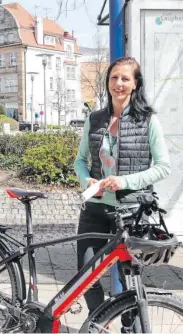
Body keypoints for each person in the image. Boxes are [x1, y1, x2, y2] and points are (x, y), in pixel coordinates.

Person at [74, 57, 170, 315]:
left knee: (129, 281)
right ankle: (98, 325)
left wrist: (124, 181)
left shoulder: (147, 121)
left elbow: (163, 166)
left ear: (136, 84)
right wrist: (87, 181)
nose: (118, 83)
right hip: (94, 211)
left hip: (130, 214)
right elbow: (80, 161)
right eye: (114, 77)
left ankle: (130, 328)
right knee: (86, 276)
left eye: (125, 78)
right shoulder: (94, 119)